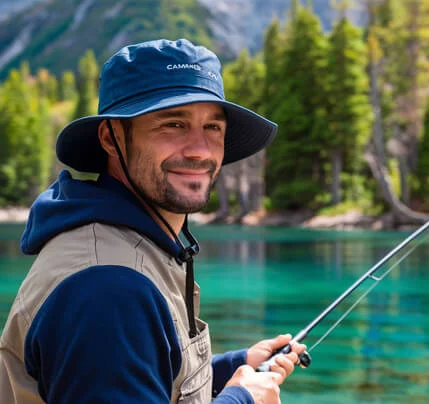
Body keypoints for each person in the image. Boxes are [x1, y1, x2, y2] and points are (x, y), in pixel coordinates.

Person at [0, 38, 306, 403]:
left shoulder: (130, 245)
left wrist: (230, 368)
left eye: (213, 127)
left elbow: (135, 373)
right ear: (111, 138)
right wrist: (243, 399)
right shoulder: (108, 288)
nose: (199, 150)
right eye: (172, 124)